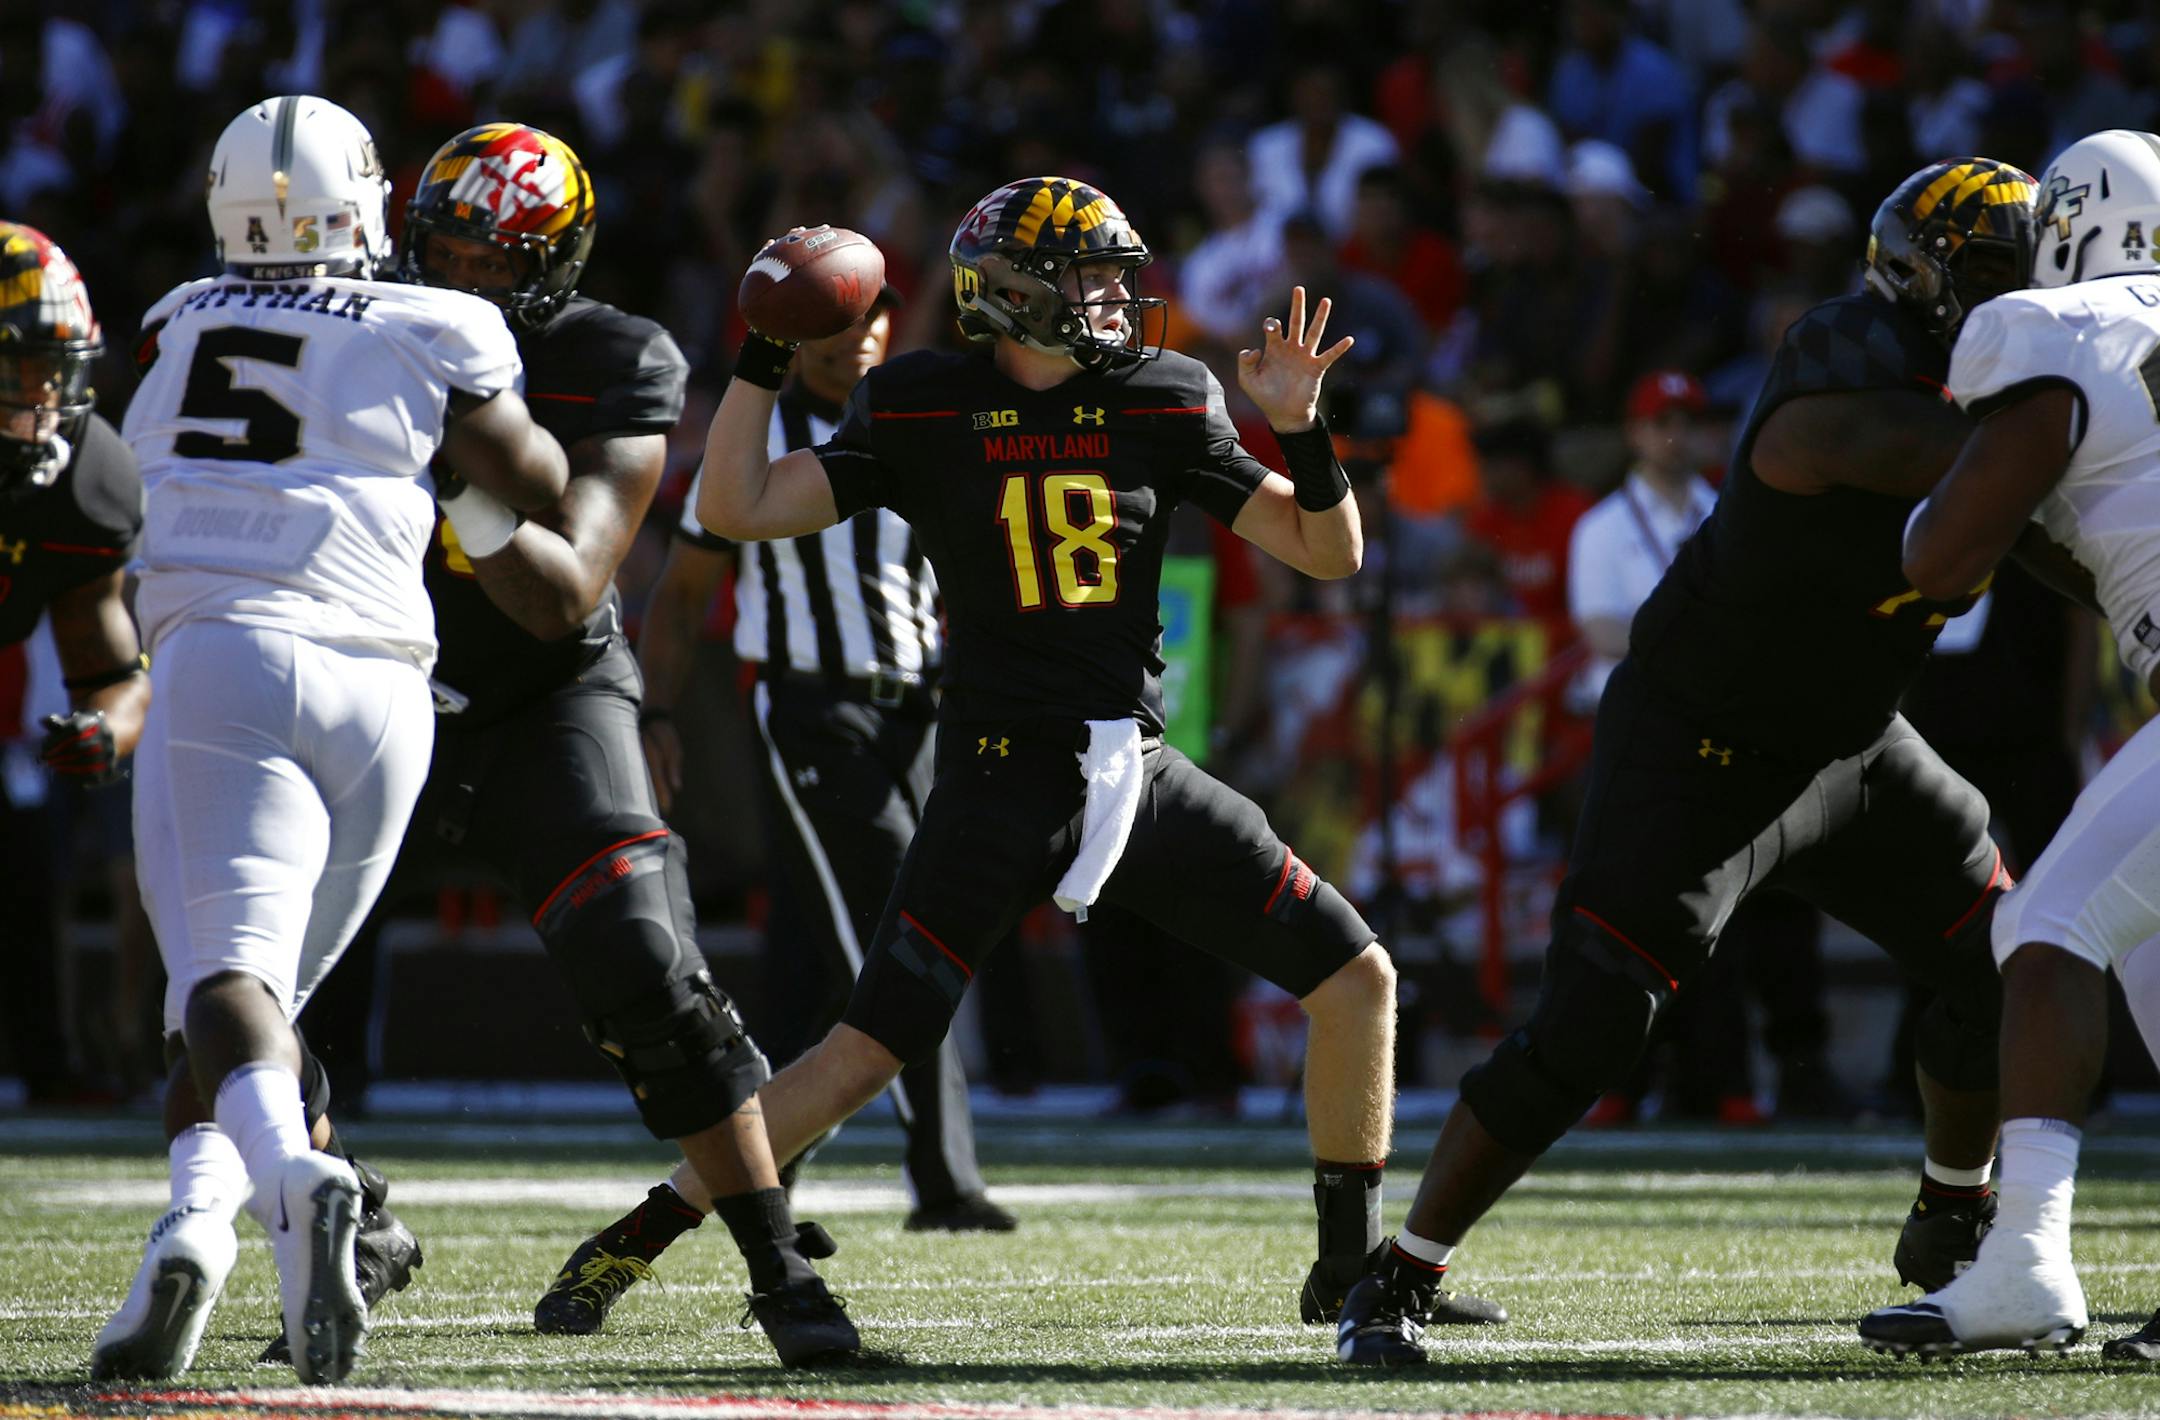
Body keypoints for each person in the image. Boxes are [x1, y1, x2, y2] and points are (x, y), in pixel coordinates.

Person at [694, 175, 1502, 1339]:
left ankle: (1350, 1266)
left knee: (1357, 978)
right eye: (1090, 276)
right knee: (869, 1048)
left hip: (1131, 763)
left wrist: (1304, 426)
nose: (1119, 296)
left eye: (1120, 273)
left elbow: (1326, 553)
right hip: (993, 769)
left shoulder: (1164, 396)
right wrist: (762, 357)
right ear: (1014, 296)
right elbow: (739, 506)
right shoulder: (926, 400)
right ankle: (658, 1223)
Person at [1335, 156, 2041, 1365]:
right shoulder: (1850, 362)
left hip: (1853, 742)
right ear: (1926, 282)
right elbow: (1929, 451)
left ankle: (1953, 1205)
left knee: (2009, 952)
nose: (2025, 296)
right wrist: (2082, 410)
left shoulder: (2015, 394)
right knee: (1594, 1026)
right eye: (1997, 276)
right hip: (1701, 742)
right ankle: (1396, 1275)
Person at [311, 121, 850, 1368]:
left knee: (649, 968)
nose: (459, 282)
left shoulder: (610, 355)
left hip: (539, 697)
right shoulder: (345, 326)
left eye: (493, 262)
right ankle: (352, 1204)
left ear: (551, 266)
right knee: (247, 989)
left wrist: (443, 457)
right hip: (362, 676)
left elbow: (564, 594)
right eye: (441, 252)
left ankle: (778, 1272)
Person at [101, 94, 570, 1387]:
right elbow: (530, 479)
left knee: (219, 986)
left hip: (224, 657)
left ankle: (293, 1186)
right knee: (257, 1006)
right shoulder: (436, 317)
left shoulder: (179, 317)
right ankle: (188, 1236)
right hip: (387, 687)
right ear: (365, 199)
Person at [537, 284, 1015, 1342]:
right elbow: (691, 582)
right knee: (903, 933)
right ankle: (941, 1180)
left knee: (838, 962)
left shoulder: (914, 420)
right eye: (835, 332)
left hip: (923, 709)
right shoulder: (768, 446)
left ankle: (769, 1171)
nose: (857, 347)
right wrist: (654, 707)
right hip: (810, 708)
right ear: (797, 345)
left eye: (871, 328)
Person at [1859, 127, 2160, 1360]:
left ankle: (2026, 1260)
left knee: (2042, 930)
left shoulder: (2052, 325)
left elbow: (1944, 561)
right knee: (2143, 953)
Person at [0, 223, 150, 1101]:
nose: (44, 391)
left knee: (23, 871)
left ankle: (52, 1062)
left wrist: (105, 732)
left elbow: (110, 666)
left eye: (59, 364)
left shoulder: (87, 472)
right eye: (21, 364)